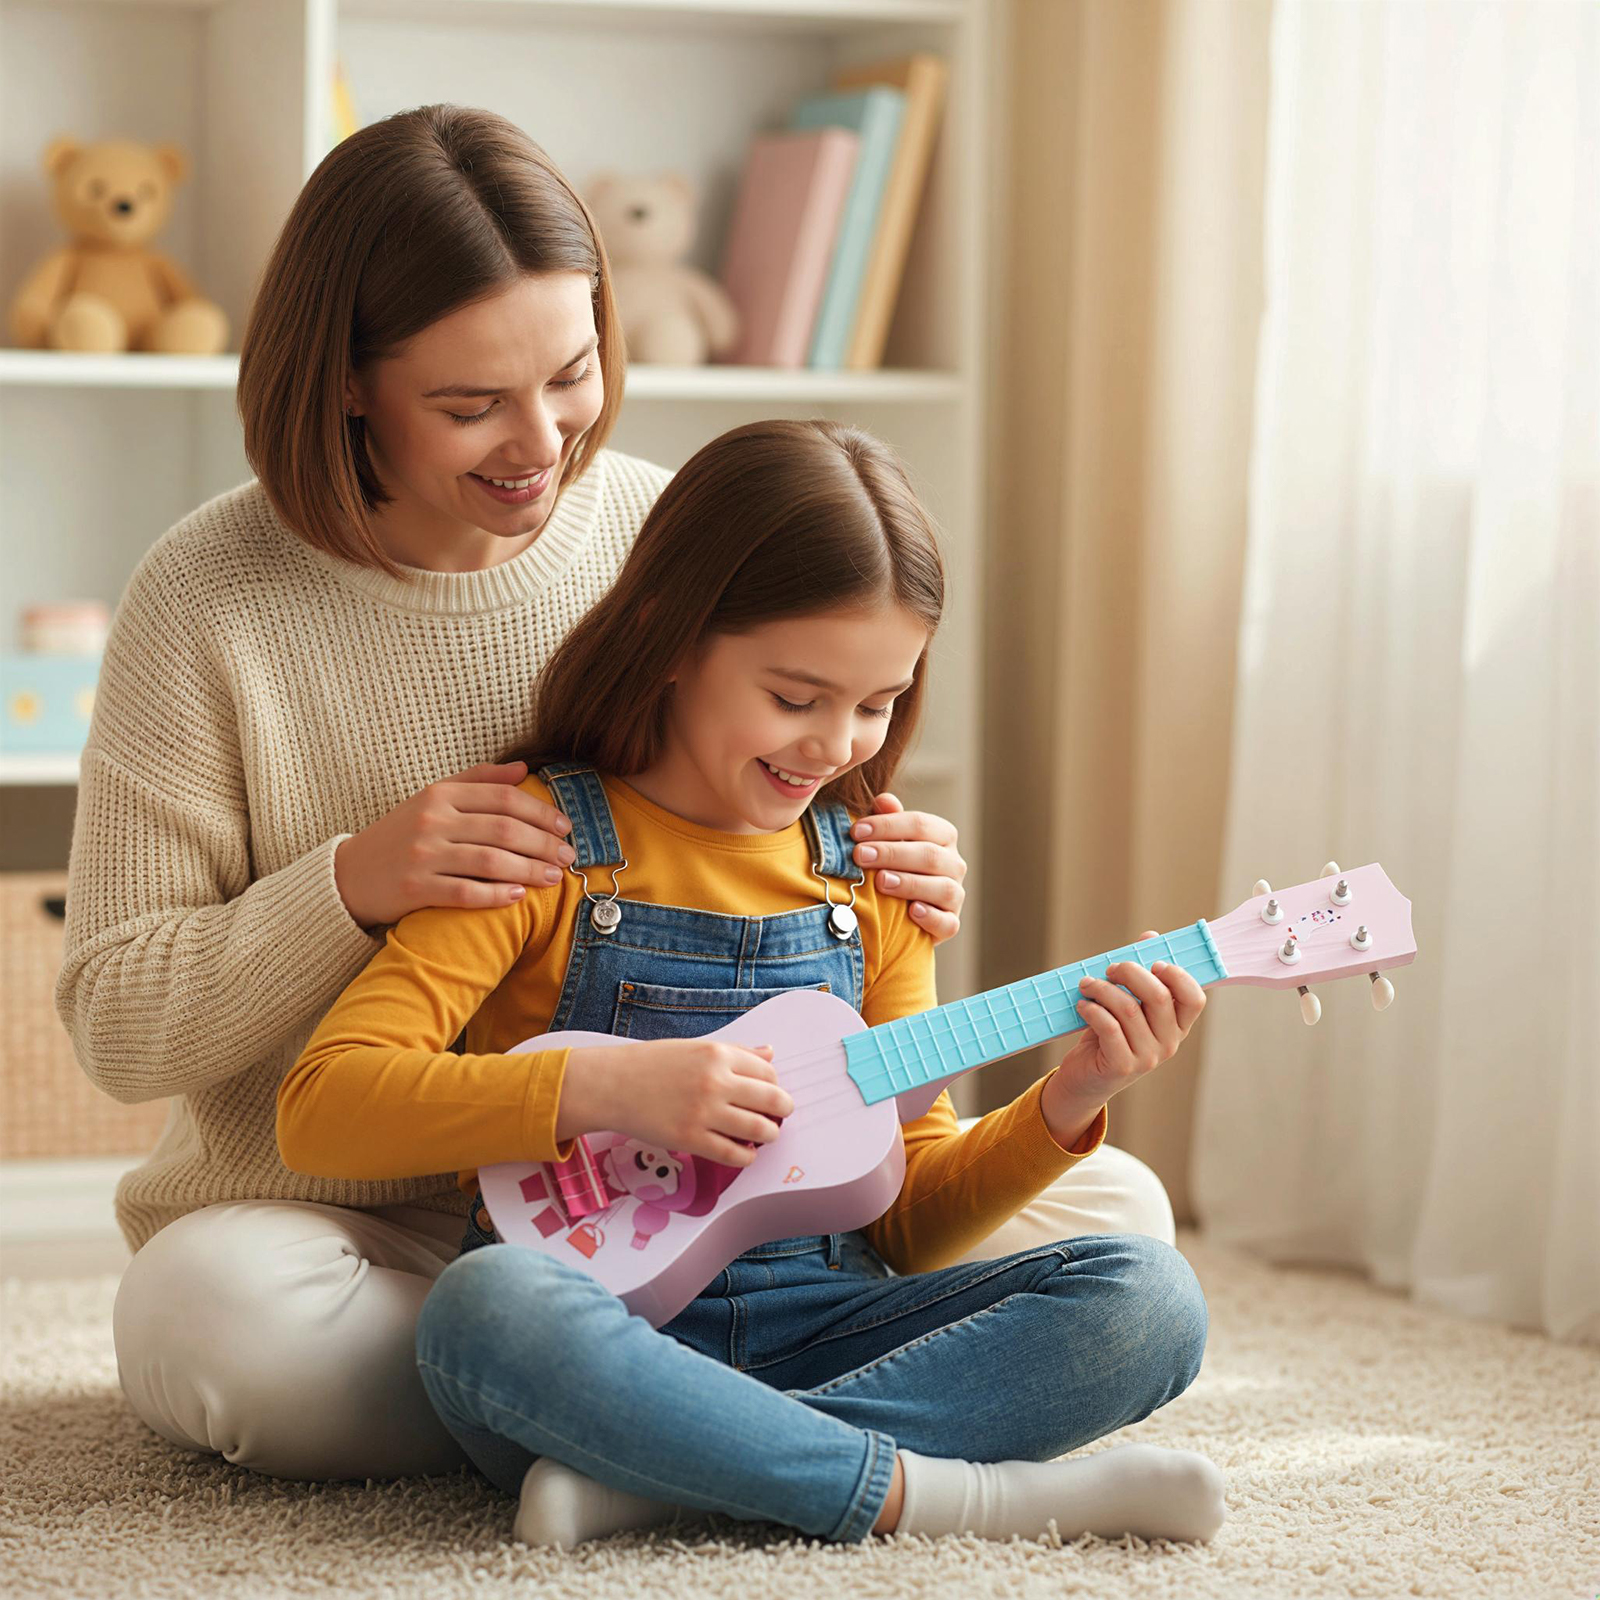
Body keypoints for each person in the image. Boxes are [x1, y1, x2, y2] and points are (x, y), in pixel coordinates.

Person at [56, 104, 1170, 1487]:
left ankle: (646, 1441)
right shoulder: (204, 595)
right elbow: (115, 1026)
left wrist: (893, 854)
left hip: (743, 1220)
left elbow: (812, 828)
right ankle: (728, 1421)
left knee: (1125, 1219)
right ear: (346, 383)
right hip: (361, 1232)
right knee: (218, 1322)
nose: (542, 444)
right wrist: (354, 883)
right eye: (471, 405)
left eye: (573, 375)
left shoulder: (675, 537)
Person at [280, 417, 1223, 1549]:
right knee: (484, 1313)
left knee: (1149, 1297)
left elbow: (908, 1221)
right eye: (795, 696)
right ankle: (955, 1498)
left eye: (876, 703)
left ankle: (682, 1475)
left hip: (823, 1319)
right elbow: (320, 1105)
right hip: (594, 1335)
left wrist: (1068, 1098)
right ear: (669, 635)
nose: (836, 743)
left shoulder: (873, 880)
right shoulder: (539, 844)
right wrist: (606, 1089)